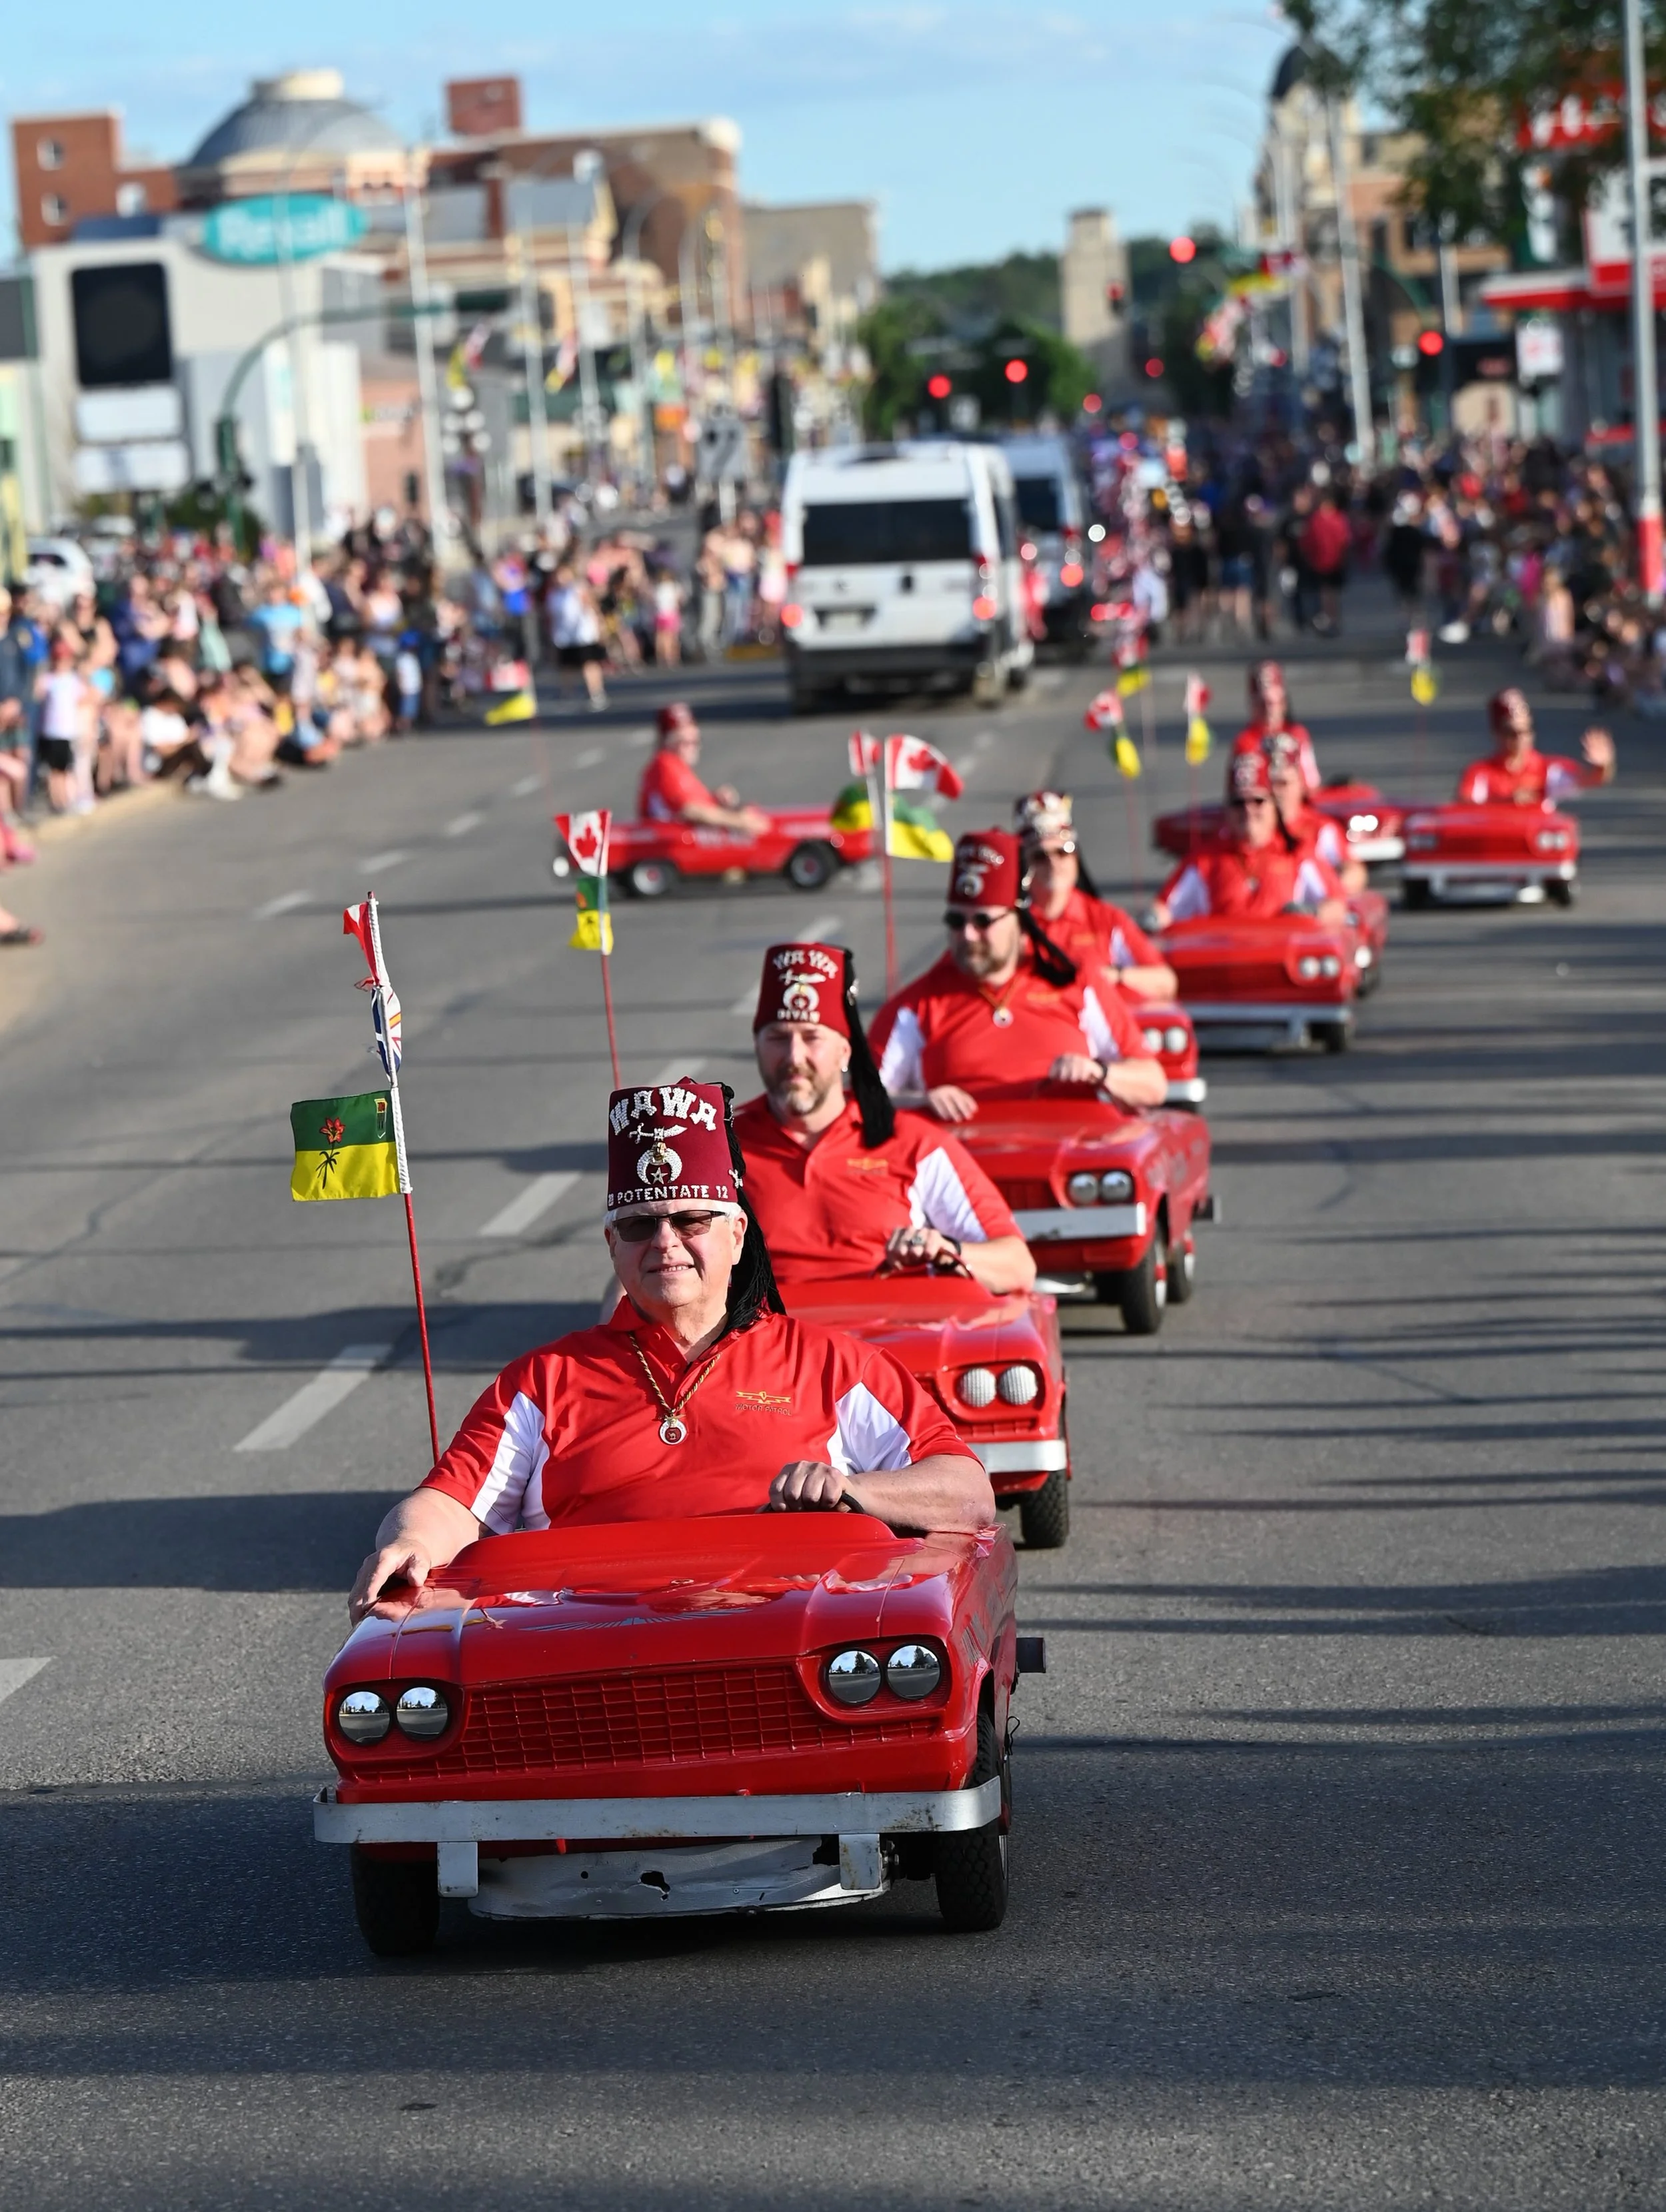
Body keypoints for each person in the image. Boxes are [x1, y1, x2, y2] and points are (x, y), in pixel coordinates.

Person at [347, 1077, 993, 1622]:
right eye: (638, 1224)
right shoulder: (542, 1380)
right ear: (611, 1245)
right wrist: (409, 1542)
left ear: (738, 1234)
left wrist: (854, 1489)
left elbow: (966, 1492)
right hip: (580, 1656)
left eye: (690, 1220)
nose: (663, 1242)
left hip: (787, 1648)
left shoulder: (833, 1365)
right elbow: (450, 1501)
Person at [734, 940, 1036, 1293]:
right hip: (773, 1342)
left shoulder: (914, 1143)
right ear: (757, 1046)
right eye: (777, 1038)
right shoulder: (722, 1148)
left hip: (892, 1340)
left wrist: (947, 1250)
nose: (794, 1056)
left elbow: (1018, 1266)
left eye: (812, 1037)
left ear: (845, 1050)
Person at [867, 828, 1168, 1125]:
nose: (969, 935)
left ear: (1020, 922)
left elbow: (1154, 1085)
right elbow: (862, 1101)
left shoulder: (1076, 982)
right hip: (964, 1162)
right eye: (956, 921)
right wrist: (921, 1100)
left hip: (1067, 1158)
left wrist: (1100, 1073)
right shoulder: (917, 1005)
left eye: (984, 921)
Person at [1151, 750, 1347, 929]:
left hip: (1281, 955)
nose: (1248, 810)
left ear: (1274, 807)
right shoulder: (1204, 860)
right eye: (1238, 802)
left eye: (1258, 801)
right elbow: (1166, 909)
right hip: (1223, 960)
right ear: (1227, 810)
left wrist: (1312, 912)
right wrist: (1151, 919)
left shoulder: (1297, 854)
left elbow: (1336, 905)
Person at [1014, 791, 1178, 1001]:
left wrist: (1114, 976)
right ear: (1024, 864)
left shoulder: (1106, 919)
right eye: (1040, 856)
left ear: (1076, 857)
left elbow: (1165, 982)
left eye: (1063, 852)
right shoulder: (1010, 922)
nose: (1053, 864)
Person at [1455, 688, 1615, 805]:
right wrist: (1506, 802)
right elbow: (1464, 804)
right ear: (1496, 733)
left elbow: (1590, 779)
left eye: (1526, 731)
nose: (1520, 739)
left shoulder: (1546, 768)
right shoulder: (1479, 771)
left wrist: (1603, 766)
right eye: (1512, 733)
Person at [637, 701, 769, 833]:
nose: (692, 749)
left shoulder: (677, 767)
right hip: (672, 843)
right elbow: (691, 811)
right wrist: (740, 821)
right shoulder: (664, 765)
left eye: (695, 742)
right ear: (666, 741)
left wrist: (714, 799)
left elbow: (689, 803)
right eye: (684, 743)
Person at [1262, 734, 1367, 895]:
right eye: (1270, 784)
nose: (1276, 792)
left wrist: (1330, 889)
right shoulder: (1247, 828)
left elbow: (1354, 872)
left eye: (1283, 784)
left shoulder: (1321, 829)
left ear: (1300, 785)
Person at [1232, 661, 1320, 790]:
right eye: (1262, 704)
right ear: (1252, 707)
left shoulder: (1297, 735)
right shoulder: (1245, 741)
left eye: (1272, 703)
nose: (1268, 710)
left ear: (1283, 703)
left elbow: (1311, 784)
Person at [545, 564, 608, 711]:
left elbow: (593, 608)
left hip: (583, 635)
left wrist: (600, 628)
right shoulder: (554, 595)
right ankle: (567, 694)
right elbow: (552, 617)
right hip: (564, 637)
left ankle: (596, 693)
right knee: (566, 667)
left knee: (589, 664)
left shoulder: (578, 590)